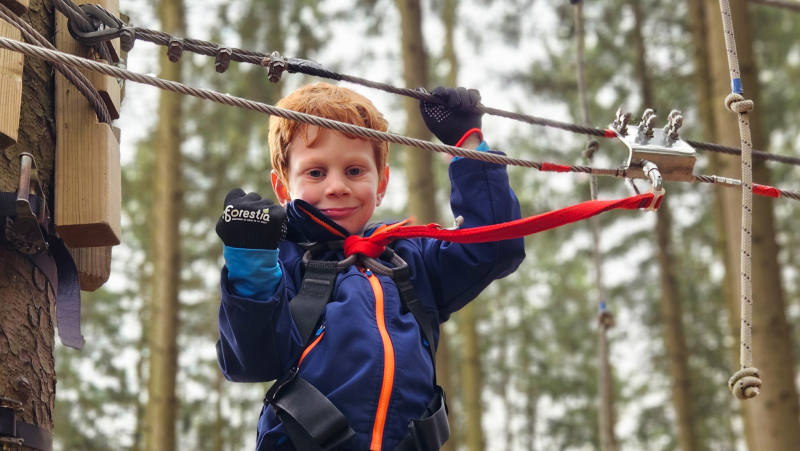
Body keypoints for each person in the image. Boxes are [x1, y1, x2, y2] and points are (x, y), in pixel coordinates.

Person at [215, 82, 525, 451]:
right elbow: (252, 359)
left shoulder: (410, 259)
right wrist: (251, 260)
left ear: (381, 184)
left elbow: (495, 245)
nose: (337, 187)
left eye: (354, 170)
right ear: (283, 187)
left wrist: (468, 145)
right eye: (315, 173)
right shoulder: (286, 261)